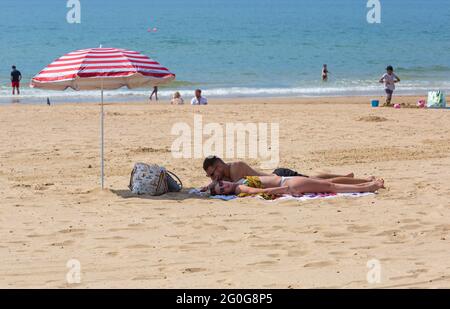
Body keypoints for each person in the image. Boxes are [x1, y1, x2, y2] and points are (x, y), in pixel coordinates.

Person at [202, 155, 357, 183]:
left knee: (313, 180)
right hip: (277, 178)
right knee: (312, 178)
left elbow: (235, 186)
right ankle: (346, 176)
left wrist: (213, 185)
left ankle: (346, 177)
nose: (213, 177)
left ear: (219, 166)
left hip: (280, 176)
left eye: (212, 174)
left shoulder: (235, 167)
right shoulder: (227, 173)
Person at [207, 176, 384, 199]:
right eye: (222, 190)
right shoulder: (239, 189)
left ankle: (365, 183)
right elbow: (259, 191)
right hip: (288, 184)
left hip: (288, 182)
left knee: (326, 183)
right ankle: (369, 187)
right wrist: (283, 191)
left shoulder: (236, 182)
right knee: (330, 186)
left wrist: (208, 188)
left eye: (221, 184)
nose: (224, 187)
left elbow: (212, 186)